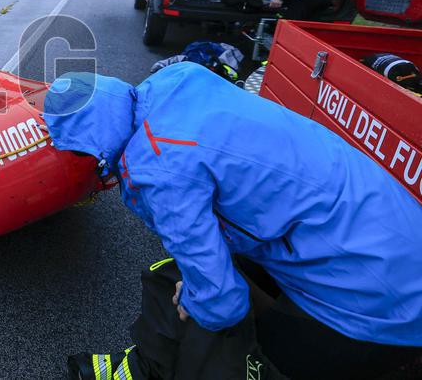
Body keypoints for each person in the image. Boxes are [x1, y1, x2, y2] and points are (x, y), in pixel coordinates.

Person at [43, 63, 422, 380]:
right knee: (176, 277)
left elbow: (223, 305)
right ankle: (145, 366)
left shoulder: (158, 167)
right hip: (390, 243)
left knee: (208, 324)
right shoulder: (177, 82)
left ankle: (152, 368)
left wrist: (196, 297)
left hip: (380, 310)